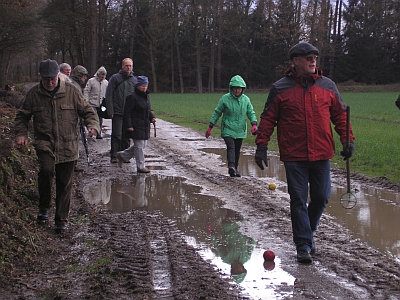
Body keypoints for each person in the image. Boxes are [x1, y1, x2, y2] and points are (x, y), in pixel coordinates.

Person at [254, 42, 355, 264]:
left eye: (315, 58)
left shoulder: (328, 86)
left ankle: (307, 236)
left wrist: (347, 140)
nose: (313, 61)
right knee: (298, 199)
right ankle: (303, 245)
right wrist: (261, 146)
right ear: (296, 61)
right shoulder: (280, 88)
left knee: (321, 197)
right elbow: (268, 118)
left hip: (321, 154)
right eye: (308, 57)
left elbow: (340, 115)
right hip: (294, 156)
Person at [14, 59, 100, 233]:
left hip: (68, 144)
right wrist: (21, 134)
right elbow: (22, 117)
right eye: (47, 80)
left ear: (58, 76)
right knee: (46, 171)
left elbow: (88, 111)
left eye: (53, 79)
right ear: (41, 78)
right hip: (45, 143)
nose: (50, 83)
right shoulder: (34, 95)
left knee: (65, 183)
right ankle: (44, 206)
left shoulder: (71, 92)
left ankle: (61, 219)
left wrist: (93, 126)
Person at [205, 75, 258, 177]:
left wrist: (254, 124)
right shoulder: (225, 99)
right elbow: (217, 113)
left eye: (239, 88)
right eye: (235, 88)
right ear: (231, 88)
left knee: (237, 150)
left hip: (240, 130)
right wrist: (210, 127)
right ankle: (231, 166)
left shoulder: (246, 100)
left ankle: (235, 168)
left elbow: (251, 113)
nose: (237, 91)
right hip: (227, 129)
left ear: (242, 89)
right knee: (231, 147)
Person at [116, 76, 155, 173]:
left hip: (144, 125)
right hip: (135, 125)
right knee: (139, 146)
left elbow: (147, 109)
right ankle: (141, 166)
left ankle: (122, 155)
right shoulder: (132, 97)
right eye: (142, 86)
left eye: (145, 85)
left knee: (143, 145)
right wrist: (129, 125)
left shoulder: (146, 96)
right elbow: (127, 112)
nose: (144, 87)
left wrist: (152, 117)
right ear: (137, 86)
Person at [105, 58, 137, 163]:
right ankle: (114, 155)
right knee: (116, 134)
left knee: (126, 135)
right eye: (127, 65)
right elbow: (109, 95)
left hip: (129, 113)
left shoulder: (134, 80)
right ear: (122, 66)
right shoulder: (115, 78)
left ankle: (124, 155)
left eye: (130, 66)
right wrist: (110, 110)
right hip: (117, 111)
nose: (129, 68)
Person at [84, 66, 109, 139]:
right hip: (92, 103)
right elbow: (86, 91)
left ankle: (98, 133)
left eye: (104, 75)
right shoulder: (91, 81)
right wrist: (86, 101)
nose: (102, 76)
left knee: (100, 119)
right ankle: (91, 131)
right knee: (92, 118)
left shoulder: (106, 83)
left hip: (102, 104)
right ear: (98, 74)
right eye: (101, 74)